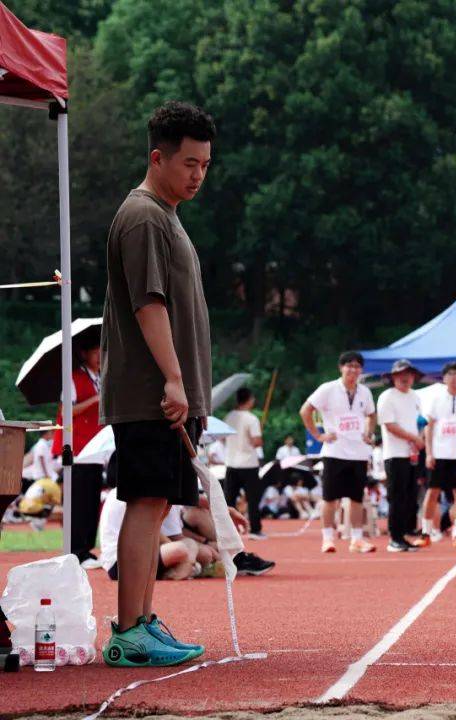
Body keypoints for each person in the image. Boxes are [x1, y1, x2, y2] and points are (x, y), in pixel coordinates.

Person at [98, 101, 215, 666]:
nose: (197, 175)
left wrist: (191, 386)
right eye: (189, 163)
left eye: (205, 165)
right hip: (149, 395)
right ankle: (127, 631)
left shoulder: (167, 214)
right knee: (144, 503)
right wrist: (173, 379)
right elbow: (149, 304)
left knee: (157, 502)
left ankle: (144, 619)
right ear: (157, 157)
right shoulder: (143, 215)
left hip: (171, 393)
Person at [301, 351, 377, 554]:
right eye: (349, 365)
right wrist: (318, 436)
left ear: (361, 370)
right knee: (330, 498)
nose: (353, 370)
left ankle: (357, 539)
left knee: (356, 498)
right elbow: (305, 410)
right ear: (341, 368)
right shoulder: (328, 389)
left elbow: (372, 414)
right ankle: (327, 538)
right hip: (335, 451)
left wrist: (369, 433)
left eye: (357, 366)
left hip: (359, 453)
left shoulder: (365, 392)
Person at [52, 337, 105, 564]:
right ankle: (76, 551)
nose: (101, 357)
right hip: (75, 448)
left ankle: (86, 549)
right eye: (97, 352)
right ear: (84, 354)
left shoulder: (101, 379)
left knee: (92, 500)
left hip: (95, 448)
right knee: (79, 502)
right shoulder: (72, 378)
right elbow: (66, 412)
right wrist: (96, 399)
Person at [376, 359, 426, 552]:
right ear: (393, 377)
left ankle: (405, 534)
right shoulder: (387, 396)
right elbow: (389, 425)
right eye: (400, 375)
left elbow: (420, 421)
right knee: (396, 496)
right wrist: (413, 438)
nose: (405, 378)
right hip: (395, 454)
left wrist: (419, 438)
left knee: (410, 496)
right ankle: (394, 537)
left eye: (409, 374)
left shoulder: (415, 397)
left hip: (412, 454)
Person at [422, 362, 456, 544]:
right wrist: (429, 453)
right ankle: (426, 532)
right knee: (432, 492)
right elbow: (429, 427)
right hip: (439, 453)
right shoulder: (436, 398)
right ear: (444, 378)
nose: (452, 377)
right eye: (449, 374)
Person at [223, 388, 266, 538]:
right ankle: (255, 529)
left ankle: (227, 530)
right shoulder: (252, 419)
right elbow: (256, 441)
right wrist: (260, 439)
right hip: (248, 464)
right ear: (250, 399)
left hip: (231, 462)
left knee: (229, 499)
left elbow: (223, 438)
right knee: (253, 498)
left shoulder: (228, 417)